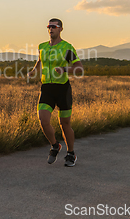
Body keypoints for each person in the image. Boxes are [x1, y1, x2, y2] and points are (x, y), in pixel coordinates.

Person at [27, 18, 83, 167]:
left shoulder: (67, 47)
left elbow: (79, 67)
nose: (51, 29)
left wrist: (64, 69)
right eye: (49, 26)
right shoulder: (42, 46)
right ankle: (55, 145)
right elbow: (40, 60)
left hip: (62, 89)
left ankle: (71, 153)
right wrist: (34, 71)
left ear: (60, 29)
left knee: (64, 124)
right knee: (43, 121)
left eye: (54, 26)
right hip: (46, 88)